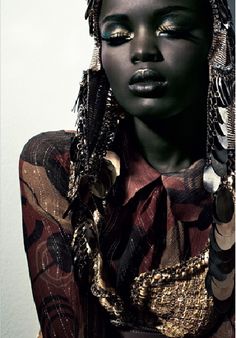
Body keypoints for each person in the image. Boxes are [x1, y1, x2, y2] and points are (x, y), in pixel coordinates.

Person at [19, 0, 235, 337]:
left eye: (172, 29)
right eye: (118, 35)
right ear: (99, 51)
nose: (142, 51)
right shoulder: (59, 164)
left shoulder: (228, 188)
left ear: (215, 42)